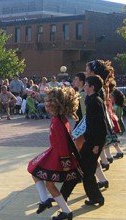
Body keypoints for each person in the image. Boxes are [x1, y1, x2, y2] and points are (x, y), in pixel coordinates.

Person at [27, 87, 81, 220]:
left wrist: (66, 163)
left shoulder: (58, 121)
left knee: (48, 184)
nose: (46, 104)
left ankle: (64, 211)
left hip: (58, 157)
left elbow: (63, 144)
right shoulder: (60, 119)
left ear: (55, 105)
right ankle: (47, 201)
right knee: (35, 171)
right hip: (55, 154)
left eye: (48, 102)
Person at [61, 75, 107, 207]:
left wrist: (97, 145)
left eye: (86, 85)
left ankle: (63, 196)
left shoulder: (95, 101)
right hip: (90, 141)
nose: (84, 86)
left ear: (92, 87)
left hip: (93, 143)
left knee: (80, 169)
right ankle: (96, 197)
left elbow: (100, 125)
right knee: (86, 172)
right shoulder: (91, 99)